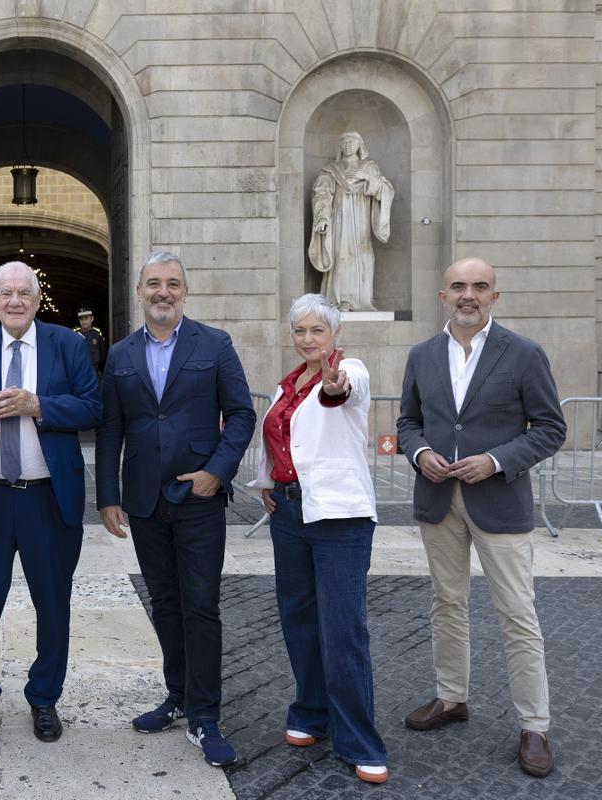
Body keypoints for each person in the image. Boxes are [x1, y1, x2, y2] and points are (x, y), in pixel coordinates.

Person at [397, 256, 566, 778]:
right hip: (438, 501)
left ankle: (534, 726)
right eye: (458, 286)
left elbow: (551, 428)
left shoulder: (523, 353)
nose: (467, 295)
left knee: (517, 613)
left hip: (499, 501)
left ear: (495, 296)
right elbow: (408, 422)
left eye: (479, 287)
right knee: (446, 603)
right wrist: (419, 452)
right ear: (442, 295)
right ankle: (452, 699)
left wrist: (495, 460)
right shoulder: (422, 354)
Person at [95, 251, 255, 767]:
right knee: (164, 603)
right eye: (153, 284)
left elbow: (241, 413)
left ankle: (206, 715)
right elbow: (111, 428)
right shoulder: (120, 354)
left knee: (200, 605)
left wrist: (217, 471)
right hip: (142, 501)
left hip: (199, 498)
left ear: (185, 291)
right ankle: (178, 696)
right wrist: (107, 496)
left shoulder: (214, 344)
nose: (163, 292)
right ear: (140, 291)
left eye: (172, 284)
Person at [0, 261, 101, 744]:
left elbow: (94, 406)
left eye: (23, 293)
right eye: (5, 293)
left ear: (36, 300)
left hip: (47, 499)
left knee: (52, 604)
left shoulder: (68, 344)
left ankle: (45, 698)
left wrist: (40, 407)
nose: (14, 301)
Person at [247, 294, 388, 784]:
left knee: (343, 628)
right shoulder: (287, 384)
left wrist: (337, 385)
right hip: (289, 513)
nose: (308, 339)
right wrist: (268, 483)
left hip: (337, 519)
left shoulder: (350, 370)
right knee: (298, 617)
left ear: (334, 334)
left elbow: (342, 393)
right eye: (300, 331)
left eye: (317, 331)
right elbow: (280, 436)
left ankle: (359, 740)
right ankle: (311, 711)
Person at [307, 131, 394, 311]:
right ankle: (340, 300)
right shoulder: (331, 170)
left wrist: (366, 178)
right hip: (340, 219)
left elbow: (385, 189)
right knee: (341, 255)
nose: (348, 144)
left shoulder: (369, 167)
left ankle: (361, 300)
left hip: (361, 219)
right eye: (344, 141)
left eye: (352, 140)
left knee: (363, 256)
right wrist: (322, 216)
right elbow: (322, 194)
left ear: (360, 144)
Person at [72, 306, 107, 375]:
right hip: (79, 372)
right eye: (81, 319)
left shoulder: (97, 332)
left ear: (92, 318)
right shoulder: (74, 333)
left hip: (94, 371)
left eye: (86, 318)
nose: (84, 321)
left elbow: (103, 352)